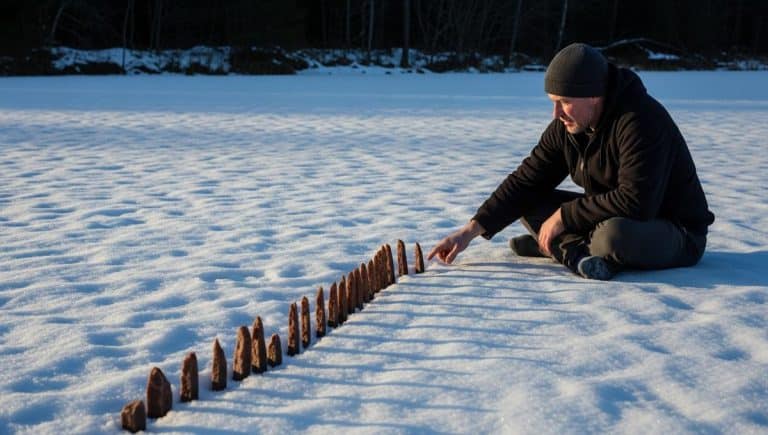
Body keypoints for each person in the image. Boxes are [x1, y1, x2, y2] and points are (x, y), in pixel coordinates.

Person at [427, 42, 715, 280]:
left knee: (613, 237)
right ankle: (568, 248)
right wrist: (470, 231)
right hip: (612, 216)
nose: (556, 113)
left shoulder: (640, 121)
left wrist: (564, 217)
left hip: (675, 231)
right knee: (529, 202)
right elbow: (527, 180)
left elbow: (637, 202)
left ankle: (558, 246)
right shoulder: (568, 127)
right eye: (552, 101)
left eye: (563, 101)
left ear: (594, 95)